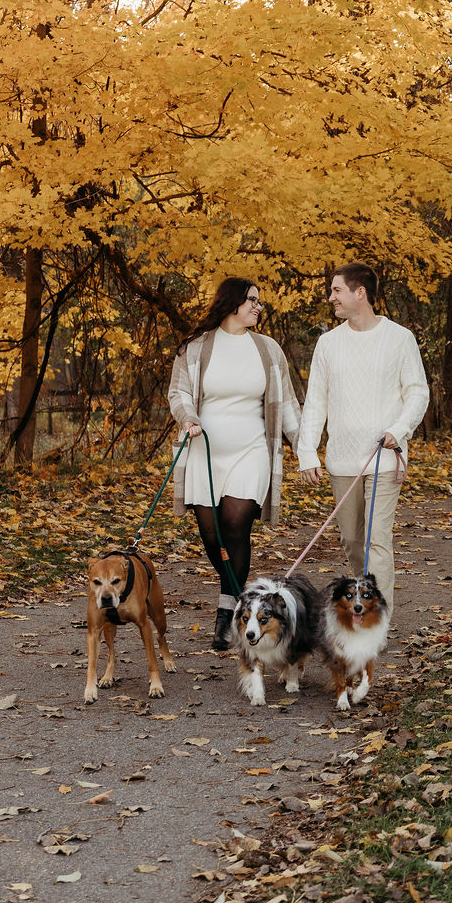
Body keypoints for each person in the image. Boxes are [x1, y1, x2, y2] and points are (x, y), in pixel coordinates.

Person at [168, 277, 301, 650]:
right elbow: (178, 392)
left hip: (251, 449)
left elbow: (287, 404)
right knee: (212, 535)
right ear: (232, 302)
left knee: (236, 525)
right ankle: (241, 597)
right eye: (252, 300)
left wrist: (304, 448)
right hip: (204, 451)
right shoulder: (196, 347)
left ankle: (228, 612)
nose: (259, 307)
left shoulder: (268, 350)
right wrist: (188, 418)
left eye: (259, 301)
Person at [298, 263, 429, 617]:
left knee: (376, 541)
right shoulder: (328, 344)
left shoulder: (399, 338)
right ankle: (365, 597)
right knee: (354, 542)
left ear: (360, 293)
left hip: (383, 458)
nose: (331, 297)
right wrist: (307, 451)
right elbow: (316, 402)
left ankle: (376, 622)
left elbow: (418, 393)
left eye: (336, 290)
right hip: (342, 459)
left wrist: (399, 429)